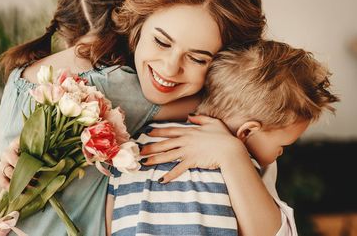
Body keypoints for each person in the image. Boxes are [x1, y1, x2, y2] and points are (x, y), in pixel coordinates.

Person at [0, 0, 289, 236]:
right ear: (136, 26)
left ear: (226, 62)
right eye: (161, 41)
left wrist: (231, 154)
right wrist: (1, 182)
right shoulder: (99, 93)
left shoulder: (231, 134)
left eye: (198, 57)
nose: (170, 68)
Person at [107, 40, 339, 235]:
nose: (280, 153)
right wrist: (234, 155)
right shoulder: (245, 166)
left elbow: (108, 211)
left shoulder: (137, 141)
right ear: (246, 131)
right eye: (282, 145)